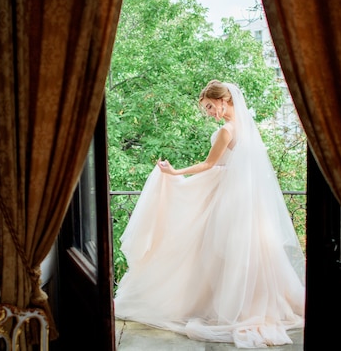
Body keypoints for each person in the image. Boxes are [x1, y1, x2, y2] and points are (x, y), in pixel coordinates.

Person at [113, 80, 306, 348]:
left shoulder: (227, 130)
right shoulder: (248, 128)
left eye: (210, 106)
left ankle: (225, 307)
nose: (209, 112)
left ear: (224, 101)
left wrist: (174, 173)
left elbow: (209, 164)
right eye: (207, 109)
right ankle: (239, 304)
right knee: (240, 254)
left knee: (212, 251)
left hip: (227, 200)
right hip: (245, 202)